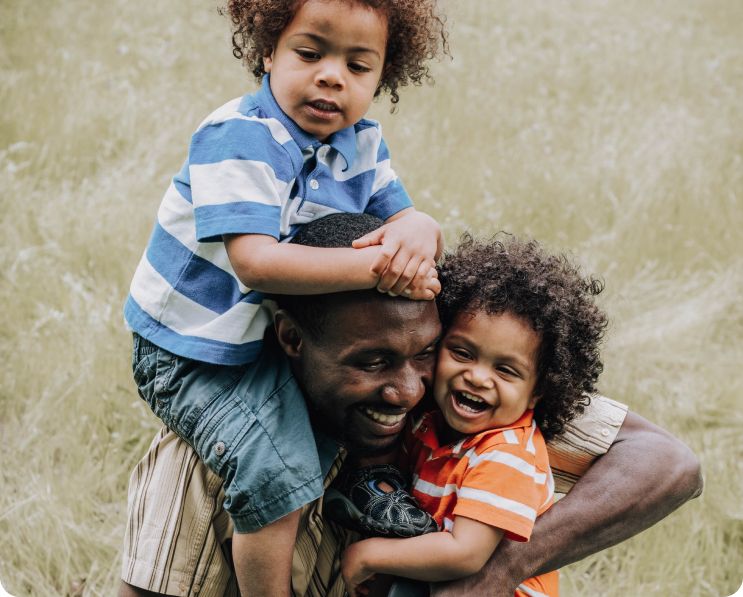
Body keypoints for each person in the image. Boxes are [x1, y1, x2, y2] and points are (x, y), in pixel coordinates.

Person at [118, 214, 703, 597]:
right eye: (370, 363)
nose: (405, 391)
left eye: (423, 353)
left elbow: (667, 463)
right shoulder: (223, 453)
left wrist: (495, 570)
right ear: (291, 341)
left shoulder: (468, 400)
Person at [123, 0, 447, 594]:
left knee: (343, 422)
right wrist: (377, 266)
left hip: (260, 339)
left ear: (383, 76)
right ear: (268, 50)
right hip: (194, 351)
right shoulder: (240, 134)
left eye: (358, 65)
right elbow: (258, 262)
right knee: (276, 471)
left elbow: (399, 219)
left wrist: (420, 226)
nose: (331, 75)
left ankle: (361, 493)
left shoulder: (360, 143)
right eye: (310, 53)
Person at [340, 234, 608, 596]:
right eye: (462, 353)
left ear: (539, 390)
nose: (478, 377)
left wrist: (370, 556)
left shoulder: (506, 454)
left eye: (506, 370)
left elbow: (464, 553)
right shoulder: (431, 420)